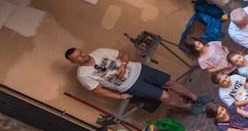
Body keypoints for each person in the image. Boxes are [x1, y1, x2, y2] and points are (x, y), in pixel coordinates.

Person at [66, 47, 197, 109]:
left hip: (139, 69)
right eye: (77, 57)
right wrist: (120, 97)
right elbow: (99, 91)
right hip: (130, 85)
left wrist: (123, 65)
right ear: (73, 62)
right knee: (164, 96)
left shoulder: (99, 52)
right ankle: (188, 107)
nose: (82, 56)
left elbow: (124, 53)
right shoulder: (83, 75)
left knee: (169, 83)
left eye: (80, 52)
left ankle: (195, 97)